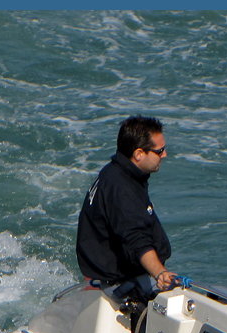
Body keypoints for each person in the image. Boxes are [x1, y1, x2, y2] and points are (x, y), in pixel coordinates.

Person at [76, 115, 178, 305]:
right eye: (160, 151)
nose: (164, 155)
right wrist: (160, 273)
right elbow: (136, 239)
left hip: (115, 274)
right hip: (119, 283)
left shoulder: (116, 173)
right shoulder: (122, 189)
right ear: (139, 154)